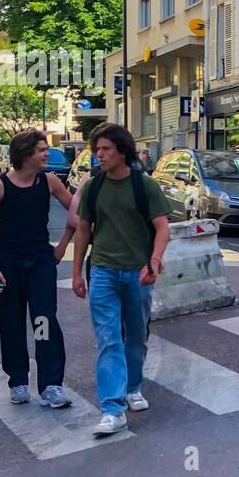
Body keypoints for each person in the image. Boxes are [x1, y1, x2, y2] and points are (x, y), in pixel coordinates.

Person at [70, 122, 172, 438]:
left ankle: (133, 385)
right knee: (108, 338)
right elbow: (83, 229)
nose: (99, 155)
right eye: (97, 149)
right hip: (102, 270)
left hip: (137, 272)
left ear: (122, 151)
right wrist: (75, 272)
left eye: (106, 149)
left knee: (137, 334)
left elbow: (162, 227)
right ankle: (113, 410)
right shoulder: (92, 186)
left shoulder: (145, 186)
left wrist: (153, 261)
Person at [0, 129, 75, 409]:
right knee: (12, 323)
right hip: (7, 262)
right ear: (25, 154)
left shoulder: (50, 182)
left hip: (40, 262)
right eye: (42, 150)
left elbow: (76, 213)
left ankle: (51, 384)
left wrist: (62, 247)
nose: (47, 154)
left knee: (44, 320)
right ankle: (18, 380)